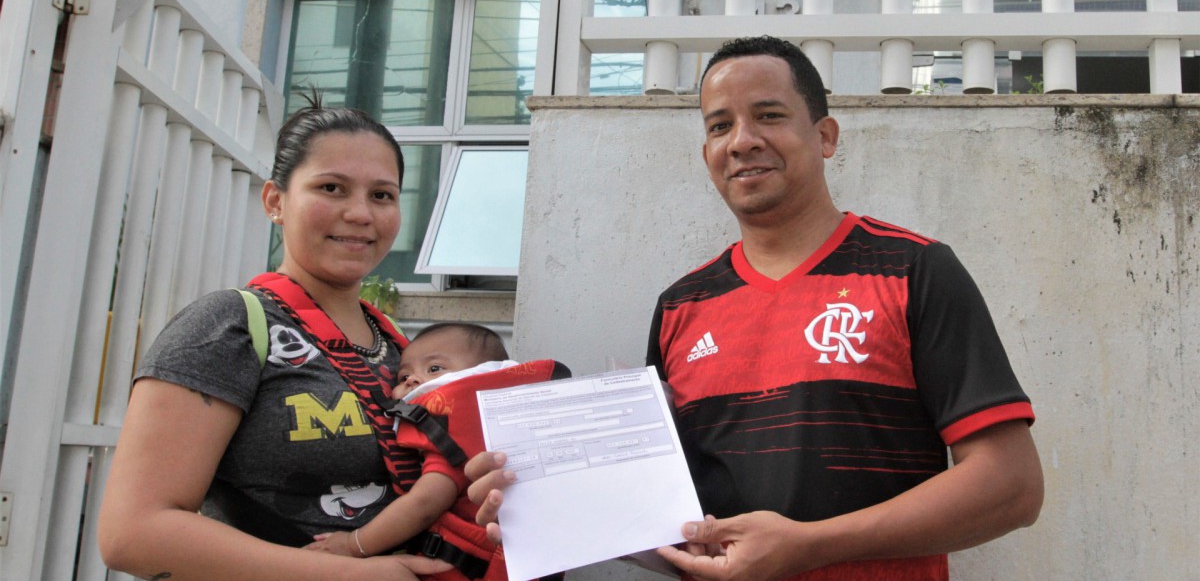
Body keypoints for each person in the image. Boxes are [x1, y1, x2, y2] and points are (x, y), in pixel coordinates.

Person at [467, 36, 1044, 581]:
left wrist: (810, 546)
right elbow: (673, 520)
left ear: (825, 136)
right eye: (720, 125)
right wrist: (540, 508)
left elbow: (1011, 488)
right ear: (707, 152)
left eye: (768, 115)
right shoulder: (681, 307)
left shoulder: (913, 270)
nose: (741, 140)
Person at [98, 104, 451, 581]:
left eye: (382, 195)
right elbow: (133, 534)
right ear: (275, 202)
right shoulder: (227, 326)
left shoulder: (401, 349)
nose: (361, 213)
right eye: (331, 188)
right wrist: (347, 575)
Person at [305, 322, 511, 559]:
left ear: (483, 374)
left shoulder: (454, 428)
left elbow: (424, 503)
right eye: (403, 376)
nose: (412, 379)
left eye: (434, 368)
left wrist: (354, 544)